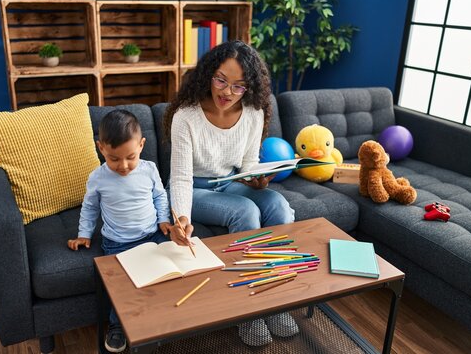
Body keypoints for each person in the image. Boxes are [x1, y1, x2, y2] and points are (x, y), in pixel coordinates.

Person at [163, 40, 299, 346]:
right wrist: (181, 218)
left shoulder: (254, 111)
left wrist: (258, 180)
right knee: (245, 211)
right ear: (209, 74)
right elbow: (182, 177)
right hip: (194, 188)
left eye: (238, 86)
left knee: (277, 203)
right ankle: (248, 311)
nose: (227, 92)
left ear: (249, 88)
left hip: (229, 182)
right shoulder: (187, 115)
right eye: (221, 80)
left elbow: (248, 164)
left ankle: (275, 295)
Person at [67, 109, 172, 353]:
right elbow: (90, 208)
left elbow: (160, 196)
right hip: (118, 243)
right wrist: (84, 234)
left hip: (152, 235)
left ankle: (161, 316)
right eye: (114, 159)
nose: (123, 166)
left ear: (142, 145)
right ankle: (116, 326)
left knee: (165, 270)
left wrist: (164, 220)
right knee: (122, 287)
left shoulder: (149, 169)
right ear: (101, 148)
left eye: (130, 157)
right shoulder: (98, 178)